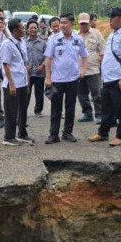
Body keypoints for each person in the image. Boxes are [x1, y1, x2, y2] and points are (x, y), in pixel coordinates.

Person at [87, 7, 121, 147]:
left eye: (112, 18)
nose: (110, 21)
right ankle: (103, 133)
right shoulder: (113, 34)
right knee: (106, 108)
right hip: (108, 78)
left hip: (118, 79)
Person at [44, 13, 88, 144]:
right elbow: (48, 58)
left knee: (70, 108)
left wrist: (83, 69)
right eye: (61, 22)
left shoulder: (78, 39)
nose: (62, 25)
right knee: (56, 108)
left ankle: (67, 133)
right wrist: (48, 77)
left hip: (73, 79)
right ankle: (53, 134)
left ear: (72, 24)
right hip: (57, 79)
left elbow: (84, 56)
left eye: (65, 22)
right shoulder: (54, 39)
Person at [1, 18, 33, 146]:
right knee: (11, 111)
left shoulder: (22, 42)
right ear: (15, 30)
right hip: (12, 83)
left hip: (23, 81)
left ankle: (22, 133)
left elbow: (23, 60)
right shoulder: (7, 44)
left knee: (23, 109)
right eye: (22, 28)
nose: (24, 30)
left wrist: (26, 68)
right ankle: (9, 137)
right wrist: (12, 84)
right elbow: (6, 65)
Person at [76, 12, 105, 123]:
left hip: (93, 70)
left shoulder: (97, 34)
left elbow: (103, 51)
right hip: (79, 70)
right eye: (81, 23)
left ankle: (99, 114)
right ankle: (87, 113)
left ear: (89, 22)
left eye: (85, 23)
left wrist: (101, 64)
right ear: (78, 23)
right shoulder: (75, 35)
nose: (83, 25)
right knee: (81, 94)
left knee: (96, 94)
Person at [25, 20, 47, 118]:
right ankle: (23, 110)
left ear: (37, 29)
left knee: (39, 93)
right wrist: (25, 65)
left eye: (35, 28)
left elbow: (47, 56)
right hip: (27, 73)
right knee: (26, 93)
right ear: (27, 30)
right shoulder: (23, 42)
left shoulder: (43, 43)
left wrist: (42, 66)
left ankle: (38, 111)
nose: (33, 29)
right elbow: (20, 56)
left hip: (39, 72)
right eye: (31, 28)